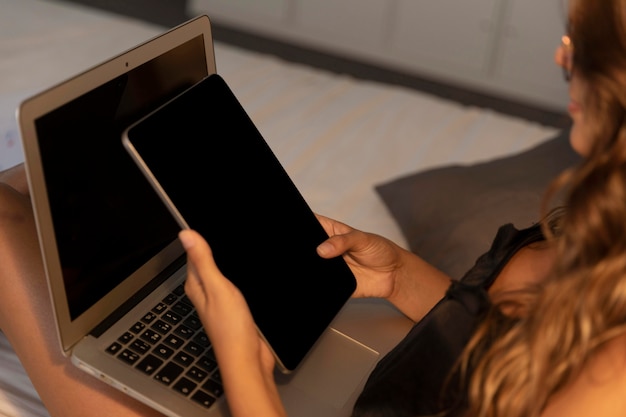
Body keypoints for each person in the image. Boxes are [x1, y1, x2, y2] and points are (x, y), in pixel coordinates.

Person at [2, 1, 626, 416]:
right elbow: (505, 347)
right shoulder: (605, 228)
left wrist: (242, 365)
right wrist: (401, 274)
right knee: (44, 180)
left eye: (585, 44)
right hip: (380, 384)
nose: (561, 57)